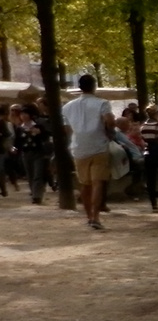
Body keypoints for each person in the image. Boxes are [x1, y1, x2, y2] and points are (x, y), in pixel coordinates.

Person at [61, 73, 116, 230]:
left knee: (85, 184)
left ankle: (88, 216)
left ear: (79, 87)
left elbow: (66, 129)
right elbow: (110, 121)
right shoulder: (102, 103)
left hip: (78, 147)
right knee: (98, 182)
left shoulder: (67, 107)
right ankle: (96, 217)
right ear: (94, 86)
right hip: (98, 146)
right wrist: (109, 129)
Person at [11, 102, 52, 204]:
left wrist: (39, 133)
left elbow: (47, 137)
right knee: (30, 174)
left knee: (38, 174)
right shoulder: (20, 128)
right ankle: (34, 192)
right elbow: (17, 142)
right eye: (22, 114)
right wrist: (14, 149)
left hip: (38, 153)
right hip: (25, 154)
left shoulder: (38, 126)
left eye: (25, 114)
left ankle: (37, 196)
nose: (23, 116)